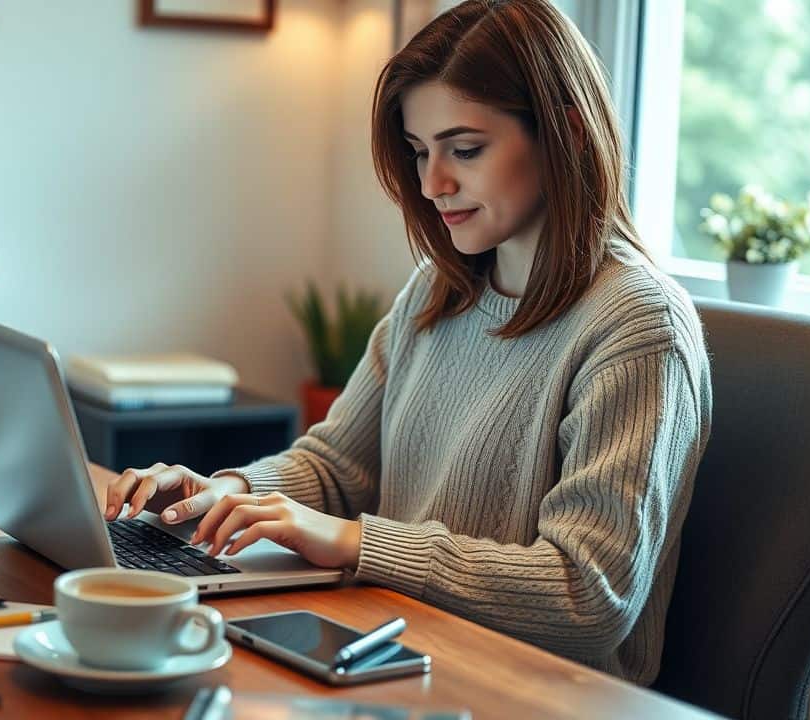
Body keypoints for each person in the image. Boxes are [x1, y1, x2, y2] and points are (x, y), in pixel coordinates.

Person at [104, 0, 711, 686]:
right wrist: (221, 495)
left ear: (566, 132)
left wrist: (358, 541)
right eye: (421, 152)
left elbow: (586, 593)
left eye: (465, 150)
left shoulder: (637, 325)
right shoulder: (436, 291)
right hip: (397, 650)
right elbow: (336, 469)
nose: (431, 184)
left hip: (531, 691)